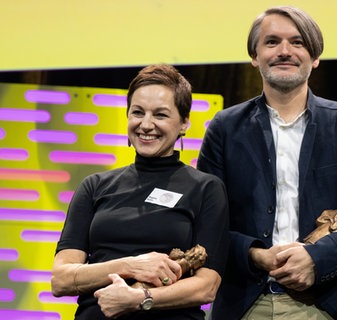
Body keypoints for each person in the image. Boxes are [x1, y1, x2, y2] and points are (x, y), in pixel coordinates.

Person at [196, 5, 337, 320]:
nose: (284, 51)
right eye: (272, 42)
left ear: (314, 57)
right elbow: (207, 222)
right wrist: (254, 254)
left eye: (297, 42)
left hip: (330, 304)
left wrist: (316, 258)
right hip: (244, 304)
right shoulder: (224, 128)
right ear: (255, 56)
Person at [51, 64, 230, 320]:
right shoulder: (94, 186)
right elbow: (61, 279)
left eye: (160, 115)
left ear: (184, 122)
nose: (146, 124)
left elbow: (206, 287)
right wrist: (131, 266)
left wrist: (139, 299)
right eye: (137, 112)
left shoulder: (206, 188)